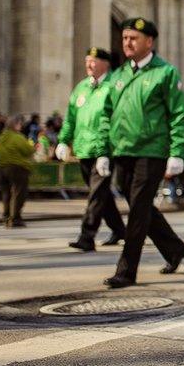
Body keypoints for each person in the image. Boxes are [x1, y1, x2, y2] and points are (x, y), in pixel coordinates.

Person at [99, 17, 184, 289]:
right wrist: (104, 151)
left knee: (138, 209)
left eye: (133, 38)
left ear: (149, 42)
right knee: (140, 205)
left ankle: (126, 271)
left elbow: (178, 114)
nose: (127, 42)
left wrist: (177, 152)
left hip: (152, 151)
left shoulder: (165, 73)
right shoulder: (119, 75)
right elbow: (107, 114)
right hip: (123, 149)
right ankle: (174, 248)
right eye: (125, 38)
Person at [56, 47, 127, 251]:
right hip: (84, 148)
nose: (89, 64)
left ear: (105, 64)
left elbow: (116, 120)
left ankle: (87, 236)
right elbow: (70, 117)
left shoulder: (113, 86)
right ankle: (120, 230)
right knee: (101, 194)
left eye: (93, 61)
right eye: (87, 60)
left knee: (96, 194)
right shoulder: (81, 88)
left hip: (104, 150)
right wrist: (63, 140)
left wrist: (106, 152)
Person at [0, 115, 34, 228]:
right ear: (14, 125)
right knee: (18, 193)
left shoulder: (2, 138)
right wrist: (31, 145)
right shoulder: (18, 137)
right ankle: (15, 218)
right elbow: (28, 150)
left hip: (3, 167)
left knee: (6, 194)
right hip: (18, 167)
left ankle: (6, 216)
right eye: (19, 124)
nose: (20, 126)